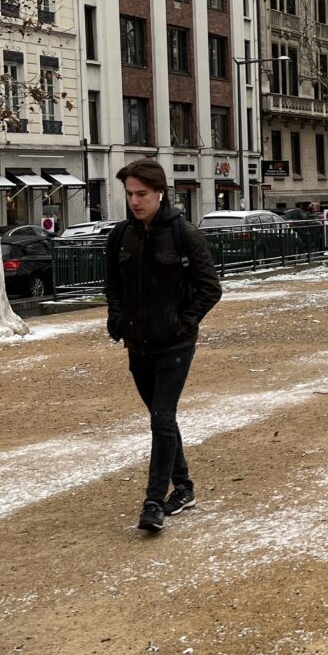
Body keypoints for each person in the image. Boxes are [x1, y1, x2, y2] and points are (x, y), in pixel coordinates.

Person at [104, 159, 223, 533]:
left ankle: (154, 501)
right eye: (129, 194)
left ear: (160, 193)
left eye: (141, 194)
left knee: (161, 417)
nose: (135, 201)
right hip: (138, 346)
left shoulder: (185, 235)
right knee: (163, 419)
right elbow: (113, 286)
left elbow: (210, 289)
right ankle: (184, 487)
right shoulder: (120, 235)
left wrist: (182, 323)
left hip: (175, 345)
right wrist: (117, 319)